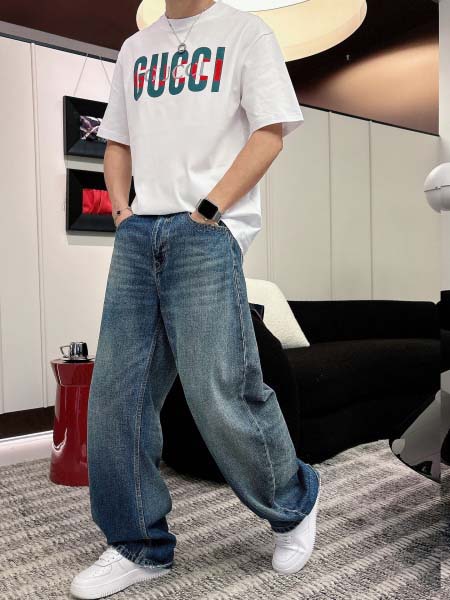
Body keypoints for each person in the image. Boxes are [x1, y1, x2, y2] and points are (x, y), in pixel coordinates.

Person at [70, 1, 321, 598]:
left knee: (219, 389)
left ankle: (294, 503)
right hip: (140, 233)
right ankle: (137, 545)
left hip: (205, 231)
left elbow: (269, 133)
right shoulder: (136, 49)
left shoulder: (245, 32)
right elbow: (117, 142)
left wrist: (209, 210)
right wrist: (124, 215)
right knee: (117, 396)